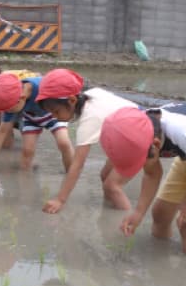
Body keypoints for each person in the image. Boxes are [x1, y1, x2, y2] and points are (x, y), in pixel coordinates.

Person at [99, 104, 186, 255]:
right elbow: (152, 174)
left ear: (156, 144)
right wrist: (138, 213)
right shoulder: (139, 132)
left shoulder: (178, 130)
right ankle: (160, 256)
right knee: (160, 213)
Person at [35, 68, 138, 213]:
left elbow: (77, 165)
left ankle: (126, 220)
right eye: (51, 113)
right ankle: (110, 210)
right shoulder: (91, 93)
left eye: (56, 111)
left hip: (138, 138)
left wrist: (60, 200)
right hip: (127, 136)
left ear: (72, 100)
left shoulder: (90, 119)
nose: (54, 117)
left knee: (112, 186)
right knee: (105, 176)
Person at [0, 72, 74, 172]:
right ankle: (25, 179)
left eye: (10, 110)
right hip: (31, 118)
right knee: (27, 151)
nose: (8, 113)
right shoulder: (10, 101)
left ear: (22, 98)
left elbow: (64, 98)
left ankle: (70, 173)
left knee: (63, 143)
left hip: (54, 114)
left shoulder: (42, 86)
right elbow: (2, 131)